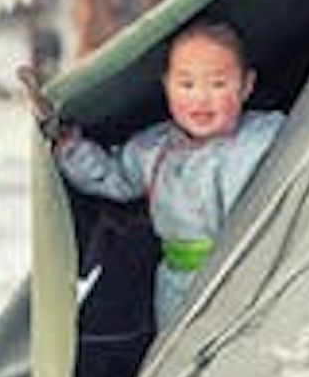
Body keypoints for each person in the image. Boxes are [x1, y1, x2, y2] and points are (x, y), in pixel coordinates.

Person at [24, 17, 284, 333]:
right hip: (179, 282)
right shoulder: (154, 148)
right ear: (166, 86)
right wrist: (71, 150)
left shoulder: (264, 137)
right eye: (186, 84)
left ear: (246, 86)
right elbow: (113, 176)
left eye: (218, 84)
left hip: (246, 274)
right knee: (178, 354)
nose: (201, 98)